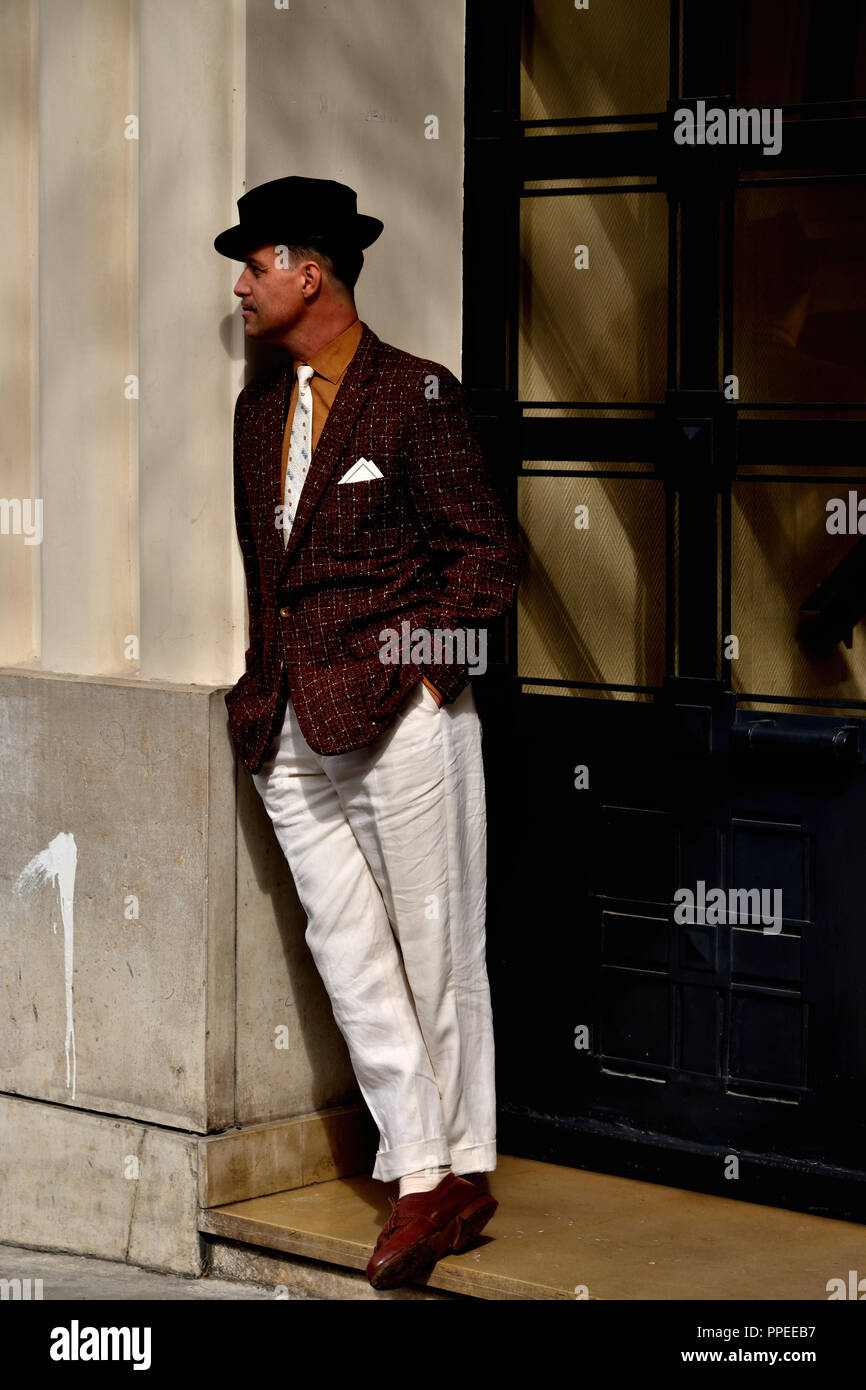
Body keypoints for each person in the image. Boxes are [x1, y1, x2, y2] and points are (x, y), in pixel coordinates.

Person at [214, 176, 520, 1290]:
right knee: (348, 956)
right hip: (283, 721)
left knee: (438, 955)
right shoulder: (257, 407)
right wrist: (264, 686)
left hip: (398, 720)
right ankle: (424, 1167)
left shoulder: (415, 395)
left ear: (311, 273)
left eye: (254, 265)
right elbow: (272, 576)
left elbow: (484, 560)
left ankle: (456, 1171)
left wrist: (424, 677)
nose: (240, 286)